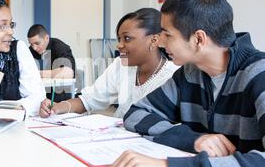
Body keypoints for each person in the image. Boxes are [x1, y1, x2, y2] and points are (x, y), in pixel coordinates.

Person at [112, 0, 265, 167]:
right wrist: (194, 139)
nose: (161, 43)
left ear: (199, 39)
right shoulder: (190, 74)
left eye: (167, 34)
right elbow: (136, 114)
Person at [39, 8, 178, 118]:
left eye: (127, 38)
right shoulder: (120, 66)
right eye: (119, 39)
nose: (119, 45)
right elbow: (89, 99)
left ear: (154, 40)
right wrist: (57, 107)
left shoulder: (173, 76)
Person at [27, 24, 76, 102]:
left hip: (60, 97)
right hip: (41, 95)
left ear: (46, 38)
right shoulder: (32, 49)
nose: (34, 48)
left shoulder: (60, 47)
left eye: (37, 43)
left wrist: (37, 73)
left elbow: (68, 72)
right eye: (31, 44)